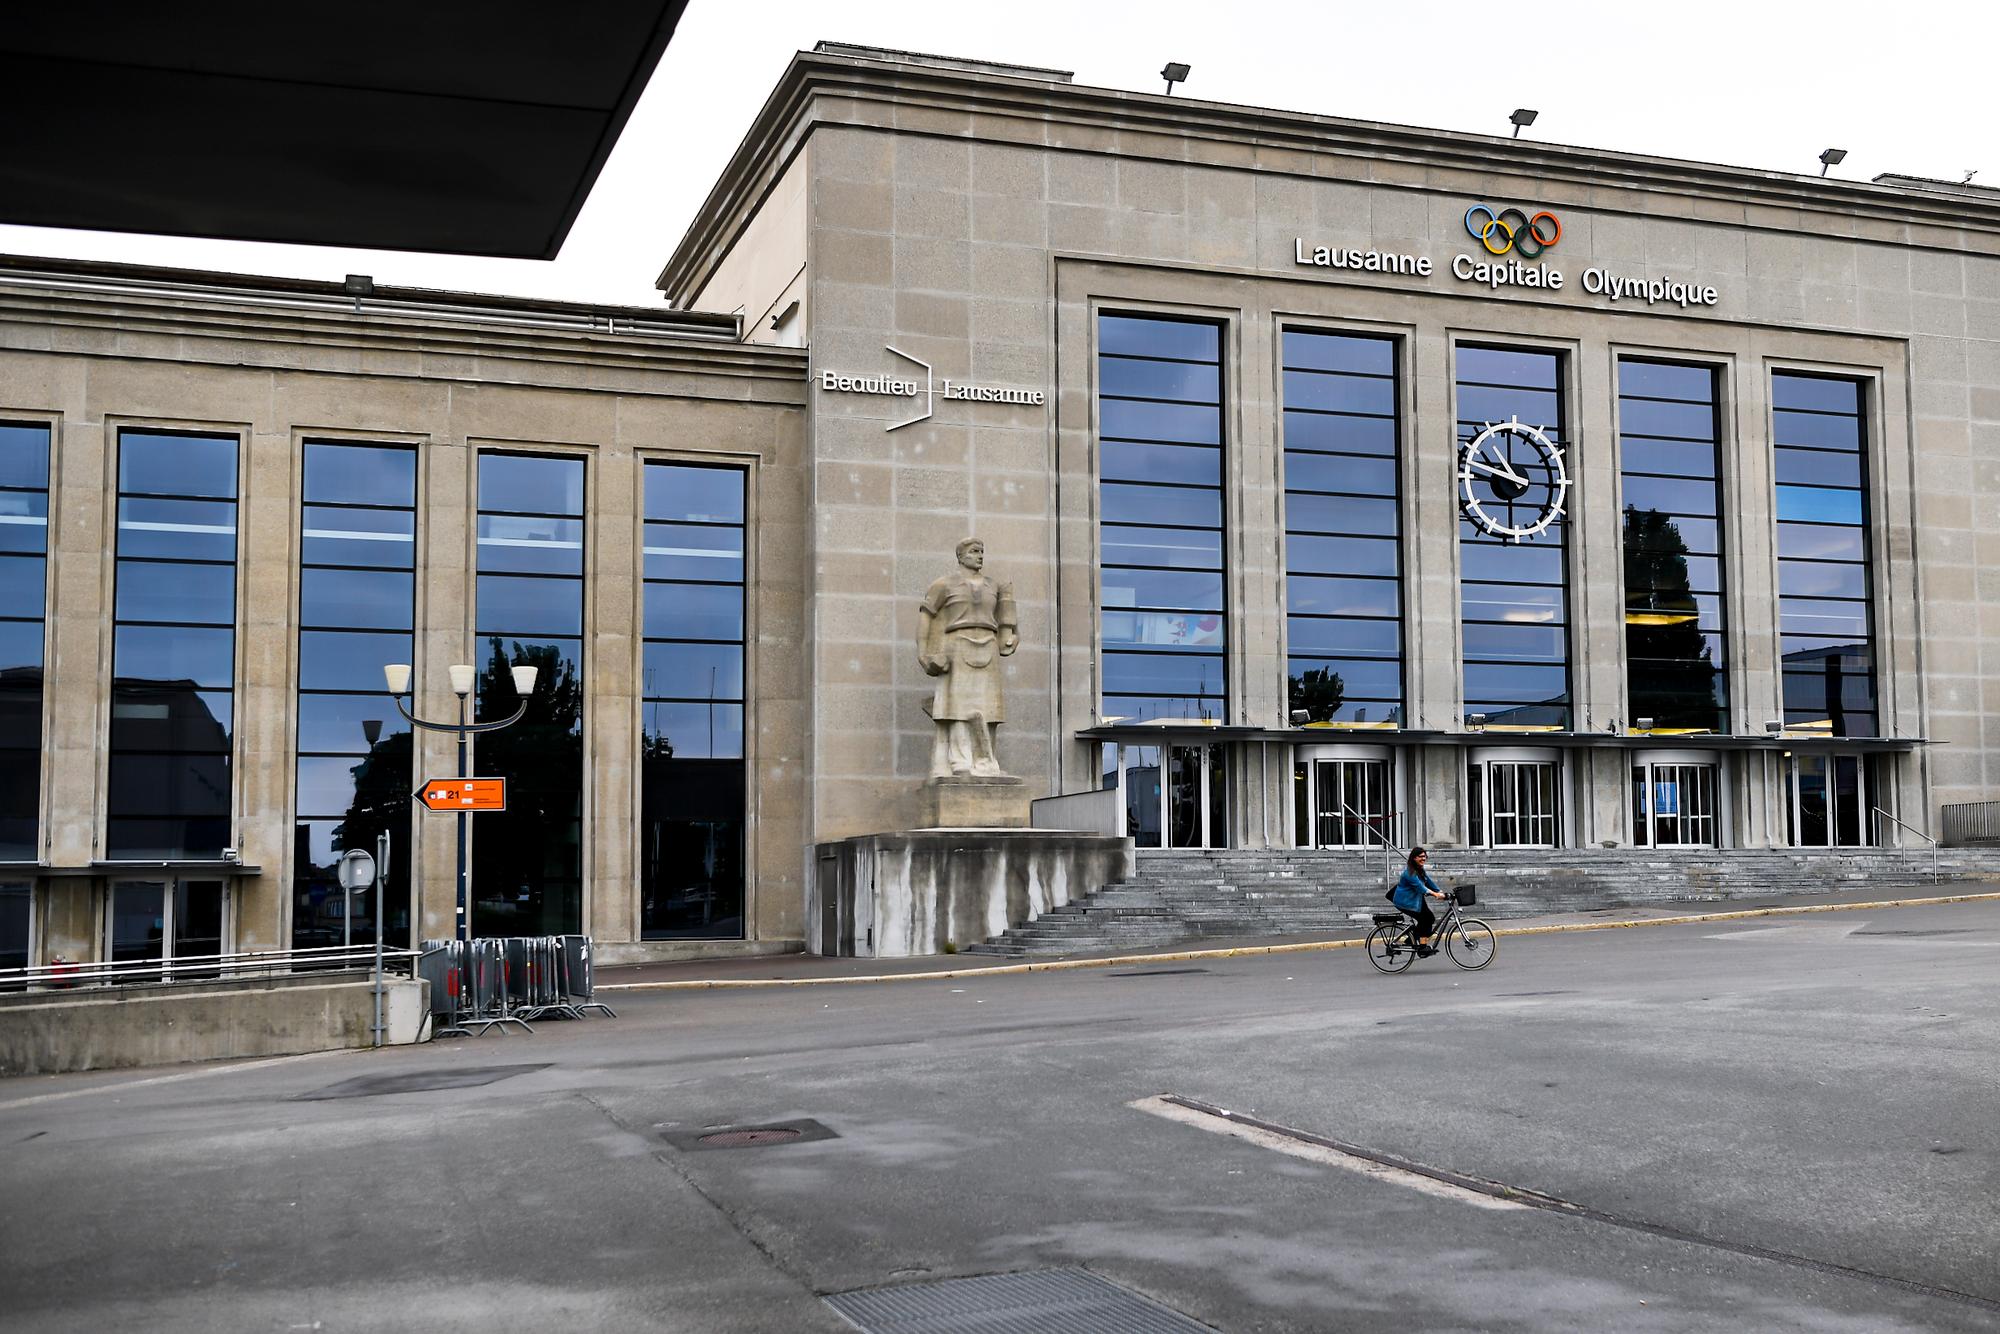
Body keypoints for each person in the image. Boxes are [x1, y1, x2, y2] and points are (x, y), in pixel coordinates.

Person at [1391, 846, 1449, 956]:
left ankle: (1411, 939)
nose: (1423, 858)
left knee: (1430, 918)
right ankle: (1422, 947)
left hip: (1416, 900)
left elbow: (1428, 882)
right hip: (1405, 902)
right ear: (1413, 858)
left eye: (1424, 856)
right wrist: (1435, 894)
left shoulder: (1419, 870)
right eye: (1420, 857)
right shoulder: (1409, 873)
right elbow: (1420, 887)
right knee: (1425, 919)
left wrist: (1440, 891)